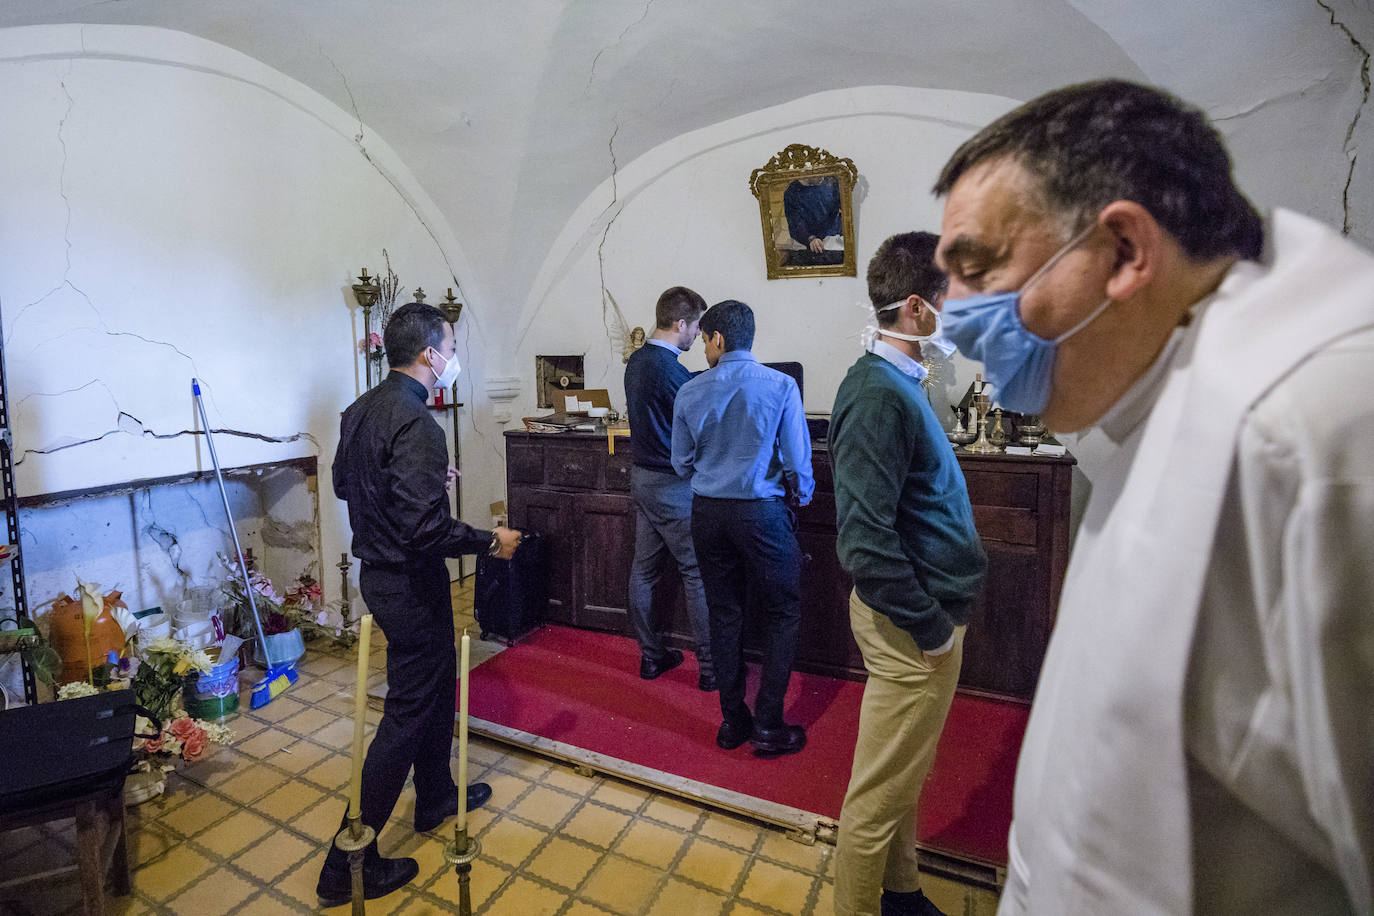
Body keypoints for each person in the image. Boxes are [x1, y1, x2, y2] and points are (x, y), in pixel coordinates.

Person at [932, 79, 1374, 914]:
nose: (954, 316)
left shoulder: (1323, 427)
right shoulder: (1158, 401)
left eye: (979, 266)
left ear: (1127, 251)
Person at [317, 301, 522, 906]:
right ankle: (345, 863)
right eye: (451, 346)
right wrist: (490, 541)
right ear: (430, 355)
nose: (454, 357)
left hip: (385, 576)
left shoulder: (362, 410)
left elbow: (346, 483)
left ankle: (434, 795)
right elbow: (425, 530)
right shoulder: (416, 424)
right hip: (408, 581)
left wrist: (425, 480)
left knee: (437, 687)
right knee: (406, 712)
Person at [830, 232, 987, 916]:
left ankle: (902, 894)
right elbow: (865, 543)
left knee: (903, 775)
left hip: (923, 614)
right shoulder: (875, 395)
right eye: (955, 297)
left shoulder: (899, 381)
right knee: (875, 797)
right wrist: (929, 629)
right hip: (910, 623)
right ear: (918, 308)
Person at [671, 300, 814, 757]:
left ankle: (733, 721)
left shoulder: (690, 392)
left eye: (705, 342)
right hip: (761, 513)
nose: (703, 351)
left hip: (709, 513)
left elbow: (680, 462)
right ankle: (769, 724)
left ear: (716, 338)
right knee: (782, 611)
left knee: (724, 612)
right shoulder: (782, 385)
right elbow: (797, 460)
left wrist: (710, 472)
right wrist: (802, 496)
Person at [623, 287, 715, 689]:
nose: (697, 335)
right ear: (681, 324)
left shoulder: (638, 360)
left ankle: (650, 657)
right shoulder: (668, 368)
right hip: (673, 482)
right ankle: (712, 670)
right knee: (697, 573)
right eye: (695, 327)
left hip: (642, 476)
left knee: (644, 571)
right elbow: (699, 418)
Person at [783, 175, 845, 266]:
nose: (822, 177)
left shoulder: (831, 182)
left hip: (838, 236)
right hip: (817, 244)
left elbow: (844, 206)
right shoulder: (792, 192)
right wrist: (811, 238)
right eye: (818, 175)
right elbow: (795, 225)